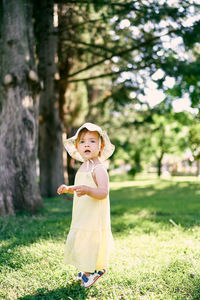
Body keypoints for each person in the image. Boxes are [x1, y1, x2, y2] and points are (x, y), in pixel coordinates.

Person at [57, 122, 115, 288]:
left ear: (100, 146)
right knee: (81, 240)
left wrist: (89, 190)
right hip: (82, 213)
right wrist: (69, 189)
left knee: (90, 241)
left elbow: (103, 192)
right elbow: (80, 187)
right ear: (77, 147)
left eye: (92, 141)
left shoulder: (98, 169)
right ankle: (86, 269)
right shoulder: (83, 167)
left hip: (94, 216)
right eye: (82, 142)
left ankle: (94, 271)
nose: (86, 145)